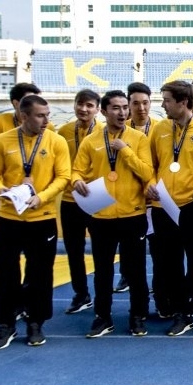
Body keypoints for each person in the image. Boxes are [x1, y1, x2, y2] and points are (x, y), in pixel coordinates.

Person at [0, 94, 70, 349]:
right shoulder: (3, 140)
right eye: (40, 115)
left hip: (42, 217)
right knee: (4, 272)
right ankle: (5, 323)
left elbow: (63, 176)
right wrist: (0, 189)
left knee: (40, 273)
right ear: (24, 116)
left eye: (47, 115)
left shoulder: (56, 141)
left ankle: (35, 322)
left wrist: (41, 197)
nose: (46, 120)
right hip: (8, 217)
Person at [71, 90, 154, 337]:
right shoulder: (91, 141)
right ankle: (102, 317)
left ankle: (138, 315)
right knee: (103, 271)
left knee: (136, 270)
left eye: (125, 108)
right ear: (104, 111)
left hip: (133, 214)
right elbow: (76, 170)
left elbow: (147, 173)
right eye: (116, 108)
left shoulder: (139, 138)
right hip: (101, 216)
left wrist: (125, 151)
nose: (122, 112)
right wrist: (76, 181)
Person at [146, 80, 193, 336]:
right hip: (163, 206)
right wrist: (149, 183)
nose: (163, 105)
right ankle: (182, 313)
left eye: (167, 100)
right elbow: (152, 165)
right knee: (171, 265)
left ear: (183, 102)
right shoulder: (159, 129)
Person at [57, 89, 103, 315]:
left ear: (98, 109)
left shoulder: (105, 131)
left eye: (89, 105)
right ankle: (81, 294)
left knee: (101, 250)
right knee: (74, 250)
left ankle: (102, 296)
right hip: (70, 198)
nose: (84, 109)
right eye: (80, 104)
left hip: (98, 198)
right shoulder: (64, 132)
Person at [113, 81, 159, 295]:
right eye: (136, 103)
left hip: (155, 195)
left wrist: (151, 184)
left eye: (145, 103)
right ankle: (126, 275)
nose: (141, 108)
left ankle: (159, 284)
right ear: (128, 105)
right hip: (129, 198)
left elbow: (161, 163)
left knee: (158, 246)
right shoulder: (119, 129)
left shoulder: (160, 128)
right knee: (127, 245)